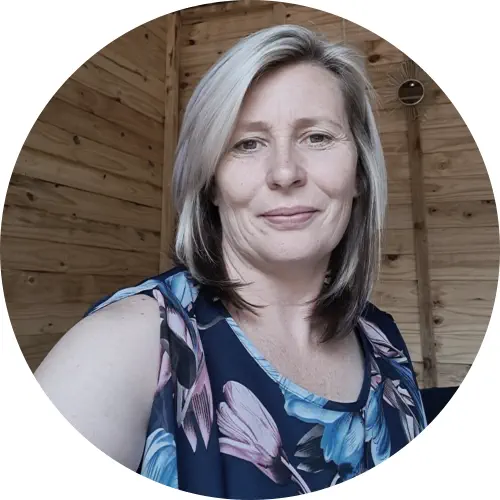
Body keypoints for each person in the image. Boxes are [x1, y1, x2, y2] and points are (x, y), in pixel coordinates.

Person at [34, 24, 427, 498]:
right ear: (211, 184)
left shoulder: (384, 341)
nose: (285, 172)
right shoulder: (124, 347)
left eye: (318, 137)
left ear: (360, 173)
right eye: (247, 143)